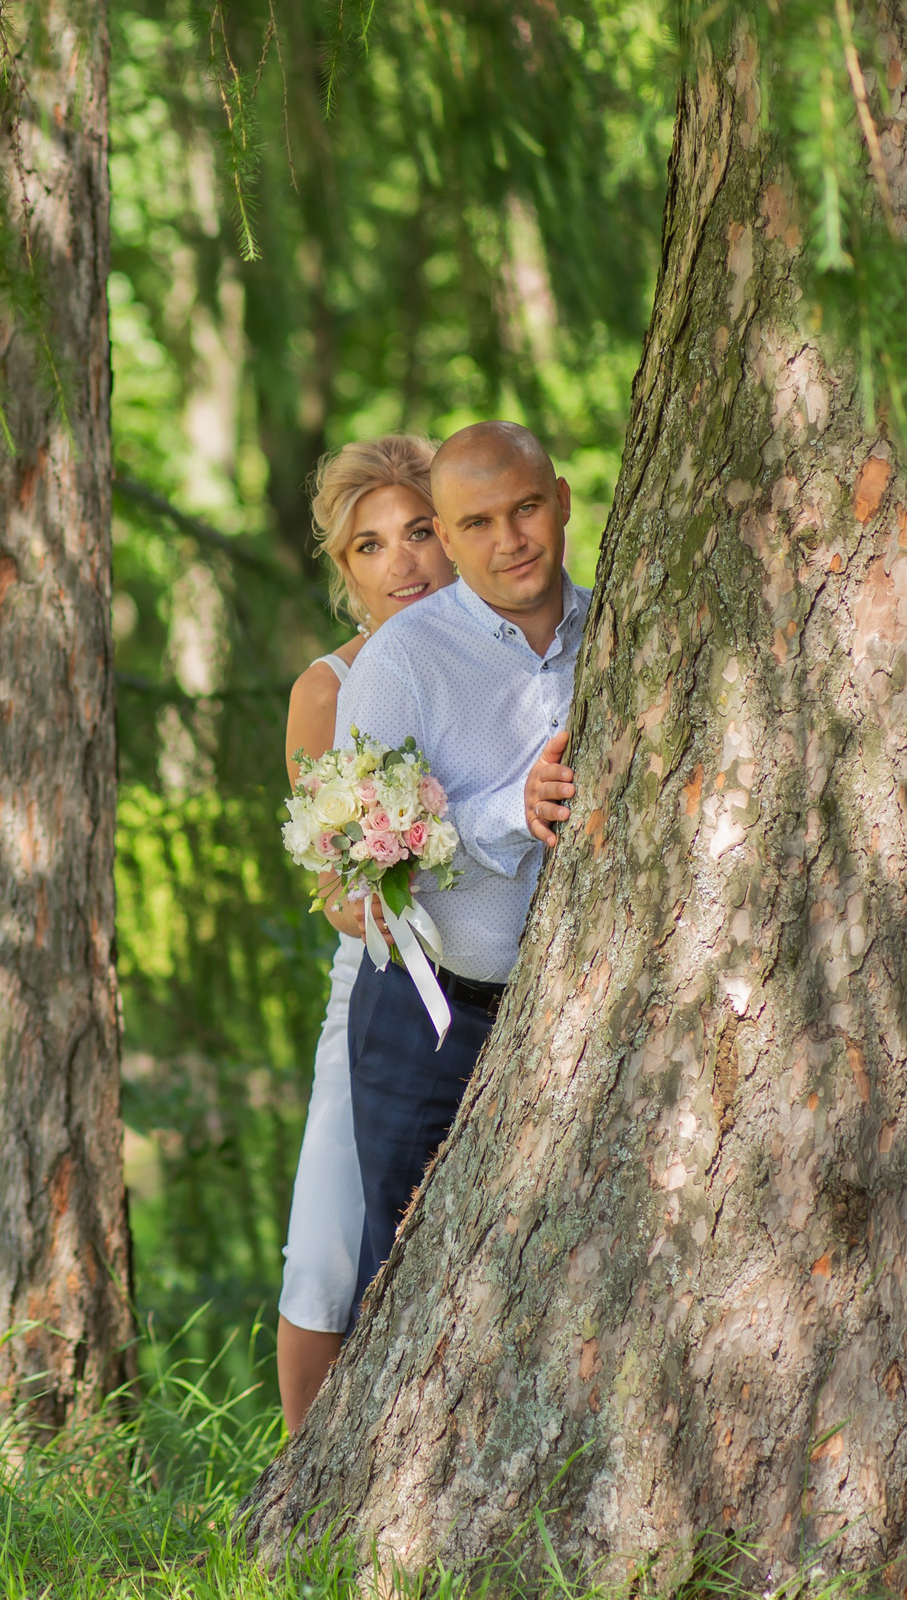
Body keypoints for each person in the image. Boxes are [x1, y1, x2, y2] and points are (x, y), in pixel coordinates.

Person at [334, 419, 588, 1319]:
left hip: (576, 1027)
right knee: (399, 1283)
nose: (509, 540)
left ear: (561, 502)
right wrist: (507, 810)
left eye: (525, 508)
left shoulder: (617, 629)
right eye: (476, 523)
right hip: (427, 1020)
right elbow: (366, 851)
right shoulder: (401, 664)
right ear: (445, 538)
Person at [274, 434, 458, 1435]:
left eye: (422, 531)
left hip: (513, 979)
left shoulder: (505, 653)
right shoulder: (326, 690)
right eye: (371, 545)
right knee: (326, 1243)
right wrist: (393, 862)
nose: (404, 563)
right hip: (387, 973)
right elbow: (333, 887)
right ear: (346, 571)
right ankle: (300, 1473)